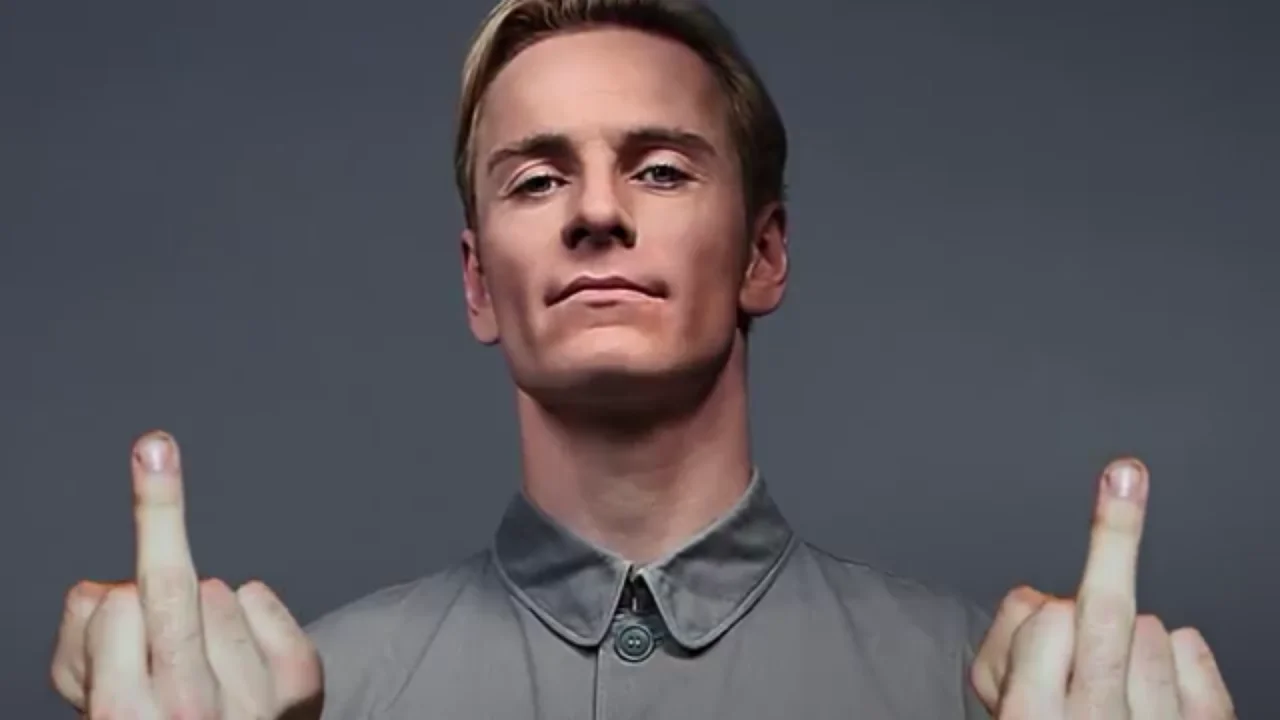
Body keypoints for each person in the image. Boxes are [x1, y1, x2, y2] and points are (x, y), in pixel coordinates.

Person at [49, 0, 1238, 718]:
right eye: (536, 179)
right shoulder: (302, 696)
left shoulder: (984, 691)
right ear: (477, 282)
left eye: (660, 169)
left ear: (762, 254)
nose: (595, 211)